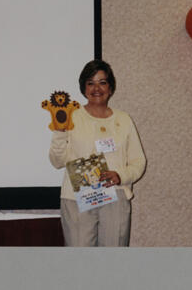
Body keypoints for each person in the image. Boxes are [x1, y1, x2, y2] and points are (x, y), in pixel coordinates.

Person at [48, 59, 146, 246]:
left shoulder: (124, 120)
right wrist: (59, 132)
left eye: (102, 82)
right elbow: (57, 161)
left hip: (115, 196)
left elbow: (138, 161)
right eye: (90, 83)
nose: (96, 88)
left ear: (110, 87)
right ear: (83, 87)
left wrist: (120, 175)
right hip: (77, 197)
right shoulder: (70, 116)